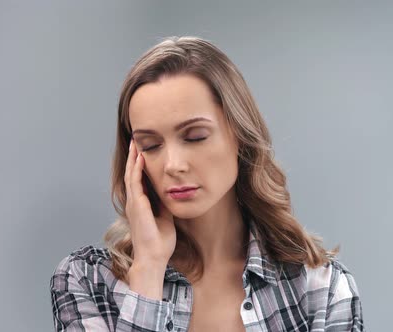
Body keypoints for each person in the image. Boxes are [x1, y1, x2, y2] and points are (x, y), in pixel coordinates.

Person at [49, 36, 364, 332]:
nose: (173, 165)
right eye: (150, 145)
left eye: (195, 136)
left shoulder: (320, 290)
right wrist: (148, 270)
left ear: (240, 136)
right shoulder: (86, 279)